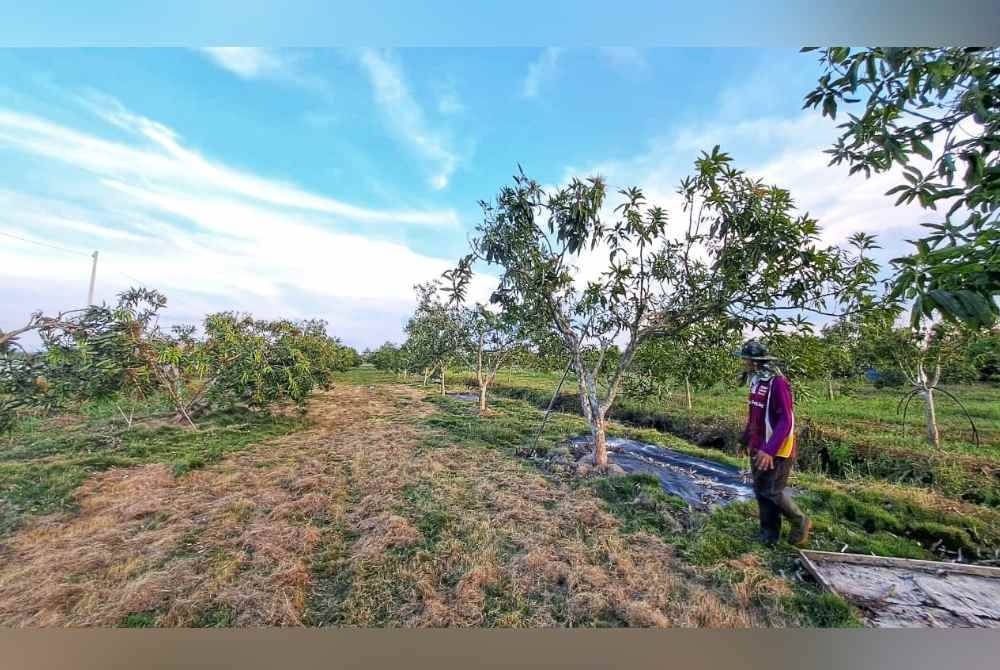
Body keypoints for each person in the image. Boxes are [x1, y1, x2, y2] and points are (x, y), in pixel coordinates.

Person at [735, 340, 811, 547]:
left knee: (772, 492)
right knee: (761, 491)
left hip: (776, 449)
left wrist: (770, 450)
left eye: (746, 359)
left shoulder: (778, 383)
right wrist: (744, 440)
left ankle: (800, 521)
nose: (744, 362)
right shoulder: (757, 382)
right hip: (758, 445)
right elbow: (755, 416)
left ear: (755, 361)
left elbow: (787, 420)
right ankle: (769, 535)